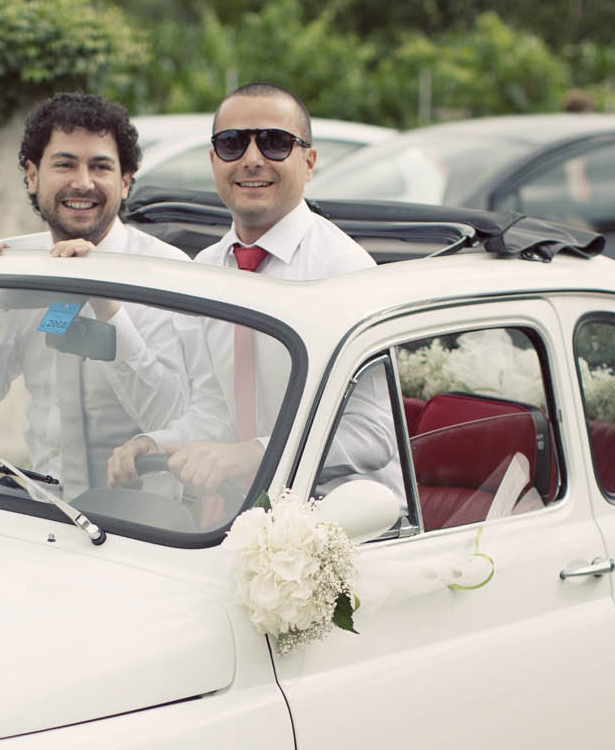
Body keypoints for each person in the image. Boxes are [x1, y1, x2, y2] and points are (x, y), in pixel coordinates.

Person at [106, 83, 400, 507]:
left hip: (346, 524)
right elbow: (215, 410)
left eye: (275, 143)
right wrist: (155, 443)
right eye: (231, 144)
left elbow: (372, 434)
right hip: (240, 518)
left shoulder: (344, 272)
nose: (252, 159)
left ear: (310, 161)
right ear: (213, 160)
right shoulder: (205, 269)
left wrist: (253, 453)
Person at [0, 92, 206, 494]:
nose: (83, 183)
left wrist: (107, 304)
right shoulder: (24, 269)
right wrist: (1, 297)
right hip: (44, 515)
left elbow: (175, 416)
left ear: (125, 180)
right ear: (32, 175)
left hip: (146, 529)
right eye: (64, 164)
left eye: (100, 167)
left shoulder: (168, 275)